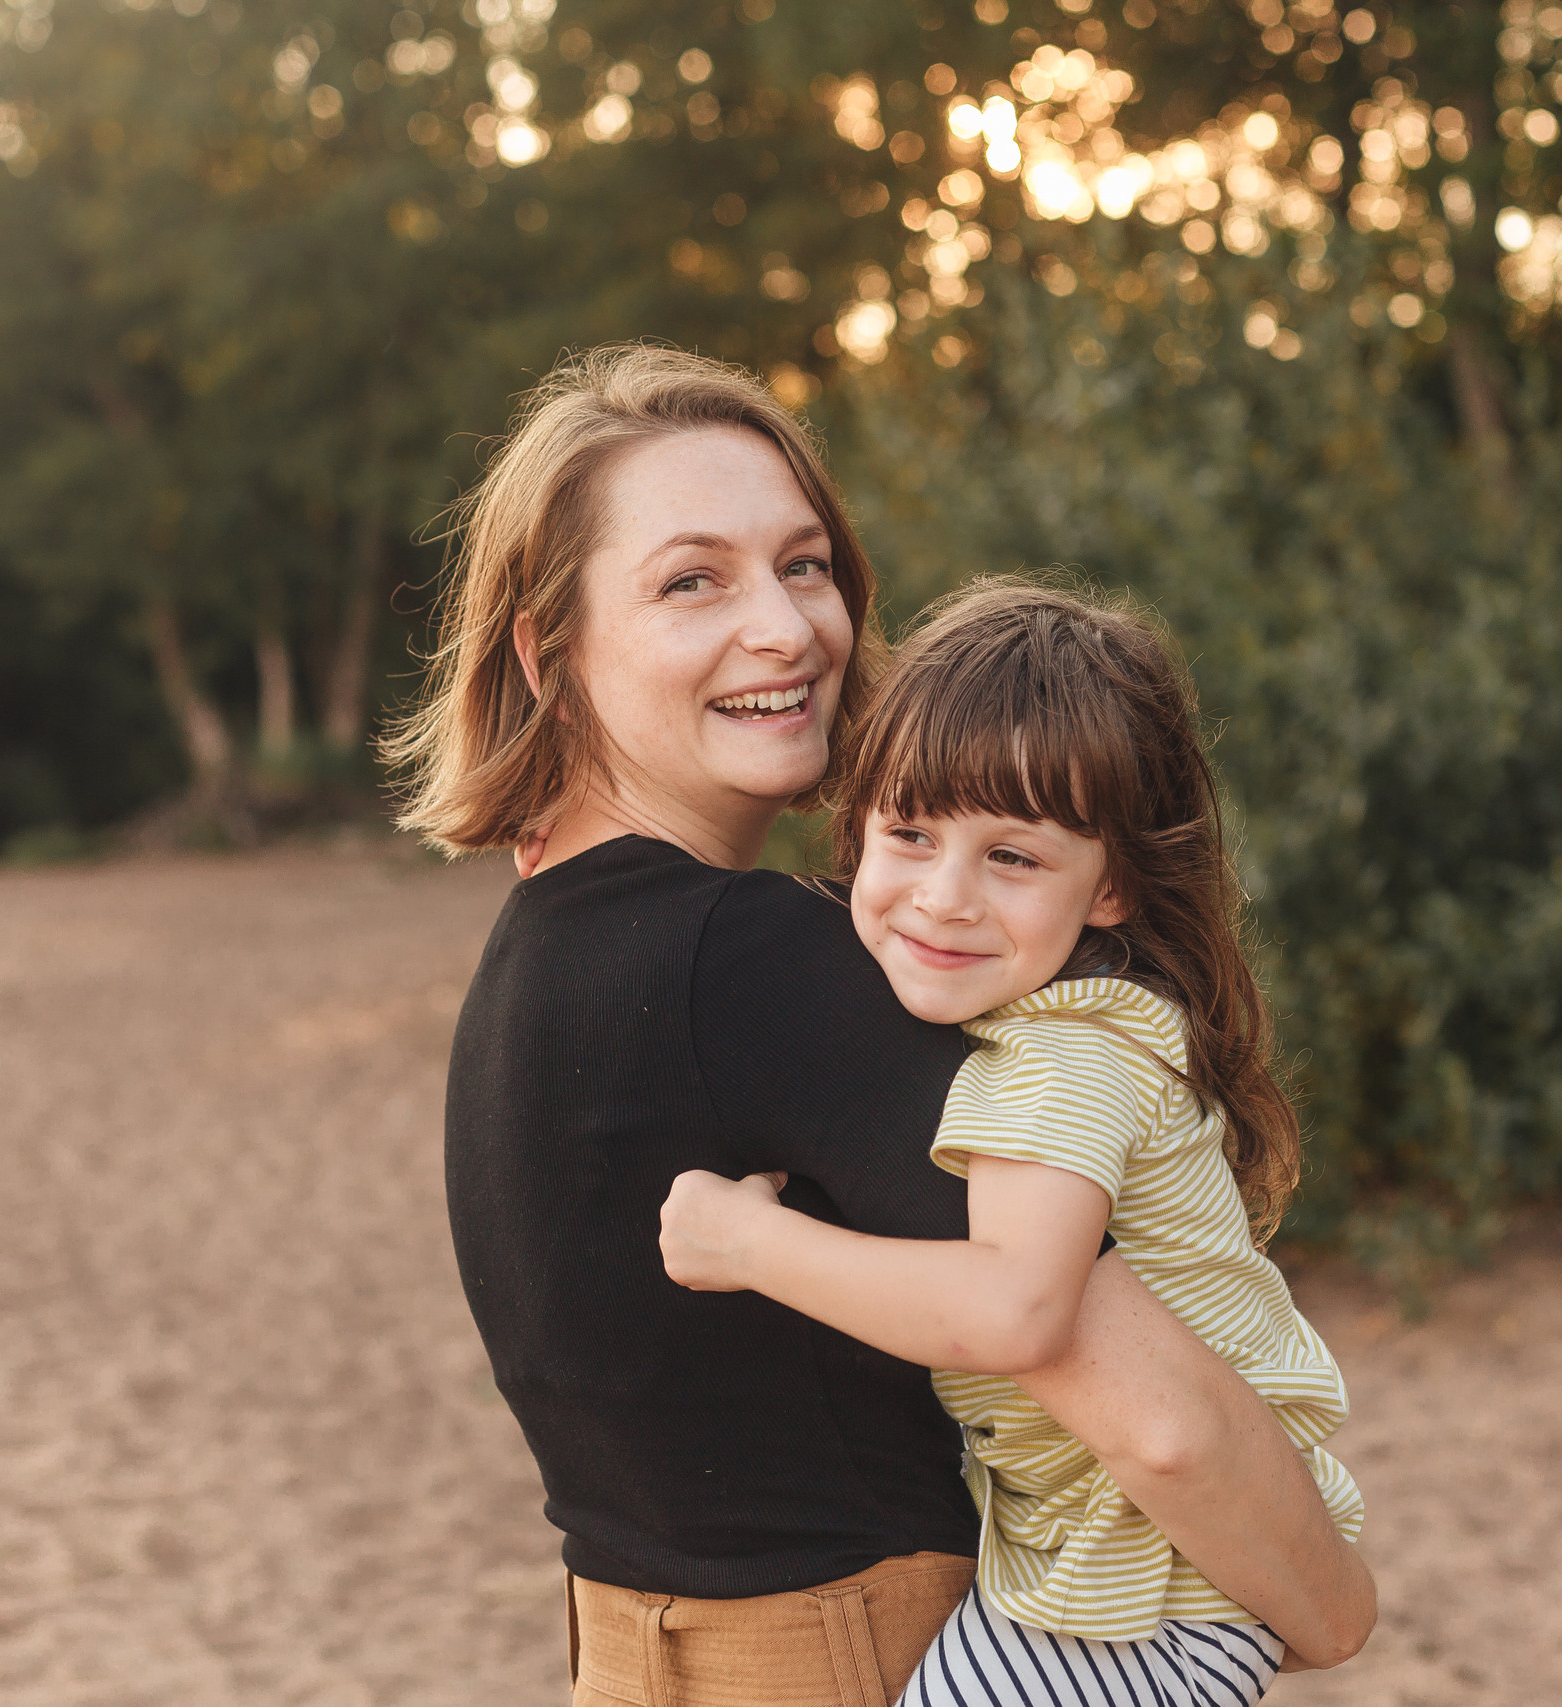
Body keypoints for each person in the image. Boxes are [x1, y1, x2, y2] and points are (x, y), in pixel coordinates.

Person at [384, 345, 1374, 1706]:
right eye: (694, 579)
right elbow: (1155, 1417)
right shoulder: (759, 965)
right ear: (550, 655)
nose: (789, 627)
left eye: (804, 563)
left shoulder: (541, 951)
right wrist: (1331, 1601)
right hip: (847, 1657)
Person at [657, 583, 1365, 1705]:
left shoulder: (1063, 1060)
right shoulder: (1064, 1023)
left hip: (1146, 1605)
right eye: (910, 833)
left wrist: (750, 1245)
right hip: (1116, 1586)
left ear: (1114, 885)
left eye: (1013, 859)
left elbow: (1020, 1308)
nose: (943, 898)